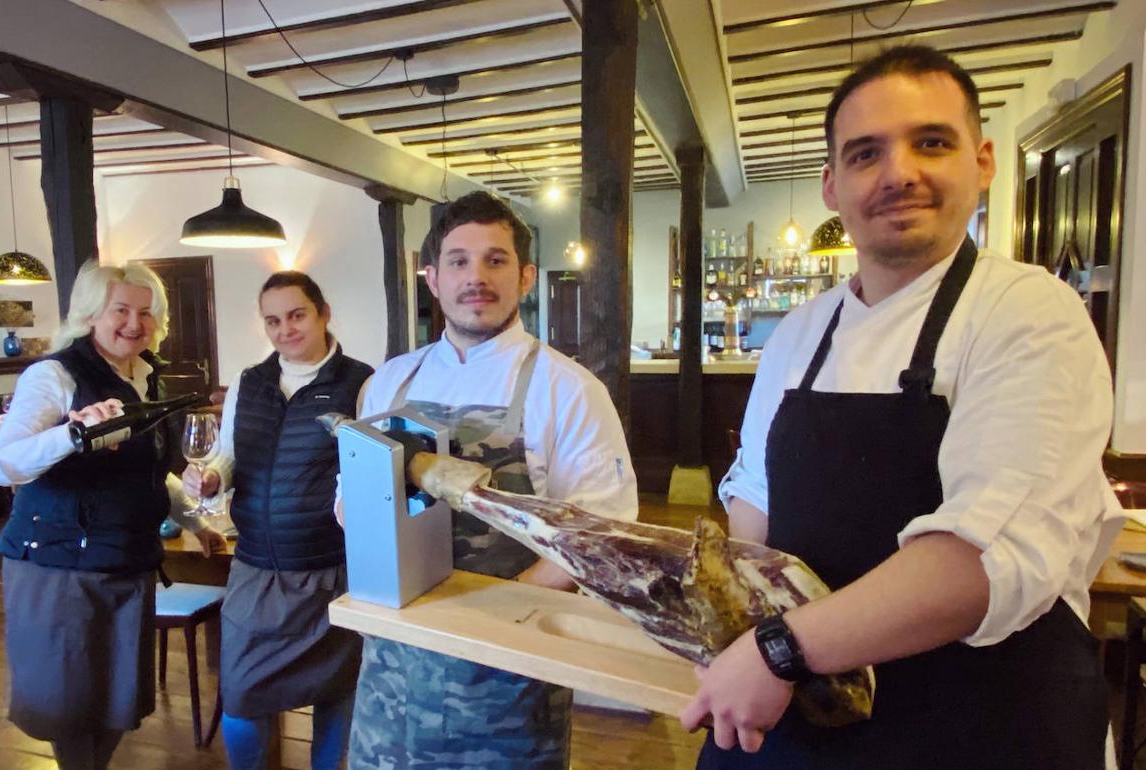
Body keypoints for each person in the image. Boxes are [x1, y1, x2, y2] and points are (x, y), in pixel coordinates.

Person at [680, 45, 1123, 769]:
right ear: (831, 185)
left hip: (983, 725)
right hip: (800, 715)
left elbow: (975, 566)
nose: (898, 174)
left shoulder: (1028, 312)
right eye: (865, 154)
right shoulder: (800, 333)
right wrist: (738, 630)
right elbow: (755, 507)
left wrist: (777, 650)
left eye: (931, 142)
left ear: (982, 163)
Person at [345, 191, 639, 769]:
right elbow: (349, 504)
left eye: (495, 260)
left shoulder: (568, 389)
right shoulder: (389, 383)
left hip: (507, 666)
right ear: (432, 278)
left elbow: (598, 537)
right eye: (457, 261)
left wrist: (495, 616)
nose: (475, 277)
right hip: (394, 664)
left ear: (526, 276)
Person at [0, 261, 219, 770]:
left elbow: (151, 472)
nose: (135, 323)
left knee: (116, 701)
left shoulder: (142, 374)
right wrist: (74, 434)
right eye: (121, 310)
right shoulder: (54, 376)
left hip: (127, 562)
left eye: (146, 313)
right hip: (57, 567)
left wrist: (195, 522)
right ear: (91, 314)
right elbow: (1, 463)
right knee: (67, 704)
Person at [182, 271, 373, 770]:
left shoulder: (362, 382)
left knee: (340, 695)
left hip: (330, 572)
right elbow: (227, 454)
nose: (285, 330)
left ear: (322, 313)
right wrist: (211, 478)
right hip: (255, 570)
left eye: (296, 315)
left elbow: (367, 472)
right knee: (242, 697)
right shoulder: (250, 381)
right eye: (273, 320)